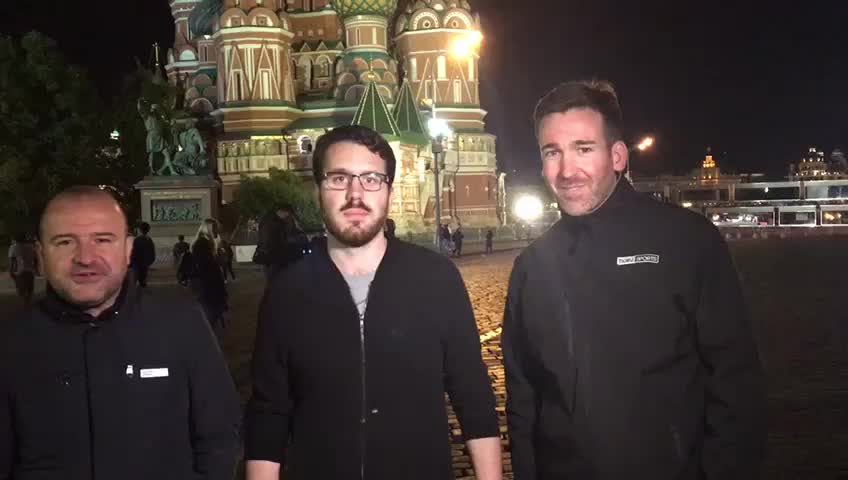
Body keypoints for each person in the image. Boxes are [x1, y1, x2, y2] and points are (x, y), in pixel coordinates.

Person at [502, 80, 766, 479]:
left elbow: (736, 385)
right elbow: (524, 402)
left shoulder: (687, 241)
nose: (567, 170)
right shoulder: (531, 266)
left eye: (583, 149)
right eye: (552, 152)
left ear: (619, 156)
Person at [245, 125, 501, 480]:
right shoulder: (288, 291)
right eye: (338, 178)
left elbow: (473, 396)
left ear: (390, 193)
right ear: (319, 190)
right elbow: (268, 413)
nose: (355, 193)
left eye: (371, 179)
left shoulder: (436, 279)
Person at [0, 185, 241, 480]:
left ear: (128, 250)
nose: (85, 258)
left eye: (102, 240)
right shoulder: (11, 342)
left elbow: (219, 433)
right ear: (40, 254)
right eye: (64, 242)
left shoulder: (181, 324)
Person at [253, 204, 308, 281]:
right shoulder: (270, 222)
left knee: (275, 279)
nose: (287, 216)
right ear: (283, 211)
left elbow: (293, 232)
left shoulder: (277, 221)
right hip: (272, 256)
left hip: (275, 256)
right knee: (274, 279)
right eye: (287, 214)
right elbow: (267, 240)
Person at [185, 236, 228, 331]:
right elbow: (219, 284)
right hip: (211, 300)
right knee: (210, 328)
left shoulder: (193, 262)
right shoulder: (213, 264)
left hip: (199, 300)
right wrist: (223, 301)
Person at [7, 233, 37, 306]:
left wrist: (10, 270)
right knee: (30, 287)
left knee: (20, 287)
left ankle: (25, 300)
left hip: (19, 271)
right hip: (30, 270)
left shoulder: (13, 247)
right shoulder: (30, 247)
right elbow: (35, 258)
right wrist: (36, 267)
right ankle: (28, 300)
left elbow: (11, 260)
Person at [129, 221, 156, 287]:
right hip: (145, 263)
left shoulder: (137, 240)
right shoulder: (149, 240)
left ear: (140, 230)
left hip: (137, 263)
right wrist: (149, 262)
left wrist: (130, 263)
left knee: (135, 281)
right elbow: (152, 253)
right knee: (143, 280)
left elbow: (133, 252)